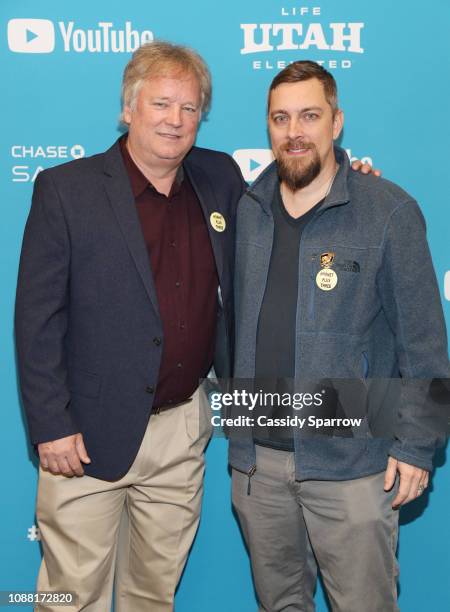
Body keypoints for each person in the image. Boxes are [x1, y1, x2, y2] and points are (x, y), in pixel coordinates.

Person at [15, 41, 245, 611]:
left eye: (189, 108)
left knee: (152, 594)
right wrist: (50, 425)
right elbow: (37, 319)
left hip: (180, 429)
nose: (175, 120)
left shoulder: (220, 176)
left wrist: (348, 178)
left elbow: (287, 213)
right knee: (71, 598)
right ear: (129, 108)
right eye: (161, 104)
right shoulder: (66, 190)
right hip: (85, 435)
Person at [230, 61, 449, 611]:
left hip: (355, 465)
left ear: (337, 122)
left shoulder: (388, 211)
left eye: (309, 115)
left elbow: (424, 341)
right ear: (268, 126)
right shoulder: (246, 210)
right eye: (280, 118)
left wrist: (417, 447)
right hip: (259, 465)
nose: (294, 131)